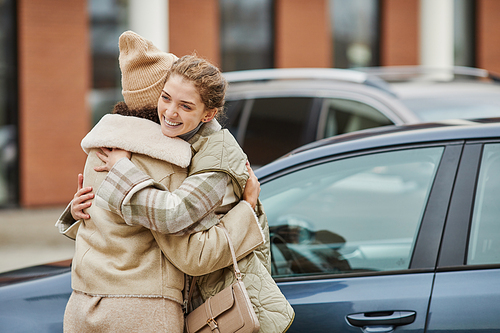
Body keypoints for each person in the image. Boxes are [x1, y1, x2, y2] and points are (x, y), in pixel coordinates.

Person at [72, 32, 294, 332]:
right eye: (166, 98)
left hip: (86, 306)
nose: (170, 112)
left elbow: (178, 226)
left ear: (208, 113)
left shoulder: (111, 144)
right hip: (142, 309)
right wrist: (76, 209)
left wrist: (247, 207)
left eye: (185, 106)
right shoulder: (157, 155)